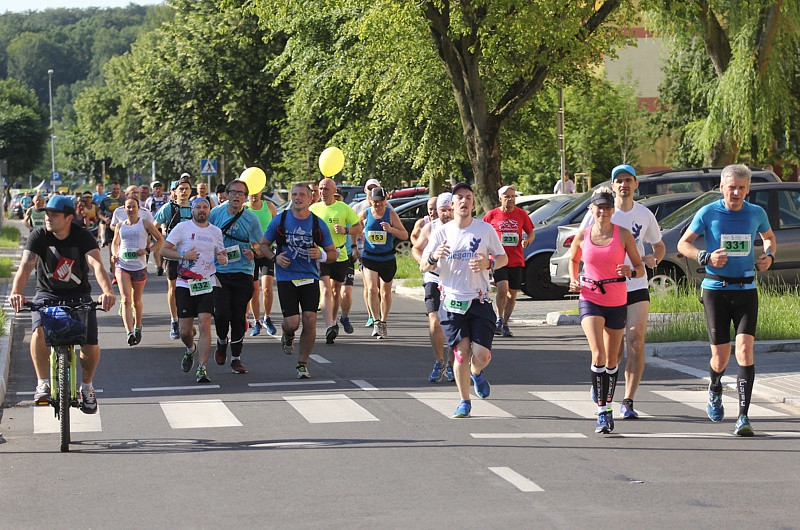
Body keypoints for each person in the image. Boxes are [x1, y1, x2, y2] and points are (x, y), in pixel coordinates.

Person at [677, 163, 776, 436]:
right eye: (731, 187)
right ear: (722, 187)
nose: (736, 193)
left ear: (748, 189)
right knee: (720, 358)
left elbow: (769, 237)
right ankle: (715, 386)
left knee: (744, 351)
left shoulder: (756, 213)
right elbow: (683, 244)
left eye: (742, 188)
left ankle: (743, 417)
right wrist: (706, 257)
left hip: (746, 289)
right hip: (715, 290)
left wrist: (769, 256)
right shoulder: (709, 212)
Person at [9, 195, 116, 413]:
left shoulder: (82, 236)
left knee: (89, 342)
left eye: (54, 214)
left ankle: (87, 387)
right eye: (46, 214)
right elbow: (26, 266)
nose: (48, 218)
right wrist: (15, 293)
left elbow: (96, 264)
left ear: (69, 217)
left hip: (78, 296)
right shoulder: (38, 236)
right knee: (38, 330)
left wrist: (107, 292)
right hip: (47, 294)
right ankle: (42, 383)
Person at [579, 165, 666, 419]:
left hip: (636, 285)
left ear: (636, 184)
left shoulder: (644, 214)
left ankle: (628, 400)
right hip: (604, 289)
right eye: (619, 181)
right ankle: (603, 387)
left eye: (628, 180)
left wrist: (653, 259)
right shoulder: (601, 210)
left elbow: (659, 246)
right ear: (613, 185)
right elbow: (582, 242)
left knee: (636, 340)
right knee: (611, 353)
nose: (623, 185)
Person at [421, 183, 507, 417]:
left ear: (473, 204)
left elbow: (503, 257)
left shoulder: (484, 230)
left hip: (479, 301)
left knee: (481, 355)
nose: (464, 201)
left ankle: (476, 373)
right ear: (452, 203)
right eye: (459, 197)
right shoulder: (441, 232)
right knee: (461, 351)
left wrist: (488, 263)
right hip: (452, 302)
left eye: (468, 197)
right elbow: (423, 265)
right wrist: (433, 255)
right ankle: (464, 401)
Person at [569, 187, 645, 434]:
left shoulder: (622, 234)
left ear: (612, 211)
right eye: (598, 207)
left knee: (612, 360)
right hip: (590, 296)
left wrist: (630, 272)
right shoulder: (583, 235)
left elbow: (640, 269)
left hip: (616, 298)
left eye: (607, 208)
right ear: (591, 209)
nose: (602, 211)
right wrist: (573, 278)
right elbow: (573, 259)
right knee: (598, 354)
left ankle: (607, 399)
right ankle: (602, 412)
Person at [259, 183, 336, 378]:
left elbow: (333, 253)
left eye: (302, 194)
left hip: (309, 277)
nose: (298, 198)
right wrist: (275, 258)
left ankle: (302, 363)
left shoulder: (318, 224)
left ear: (311, 198)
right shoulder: (280, 221)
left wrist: (321, 255)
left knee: (310, 320)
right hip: (287, 278)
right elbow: (264, 245)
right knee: (292, 322)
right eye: (294, 194)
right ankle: (288, 334)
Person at [161, 197, 228, 383]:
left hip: (206, 283)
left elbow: (222, 254)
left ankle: (202, 368)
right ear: (192, 210)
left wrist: (224, 259)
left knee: (205, 324)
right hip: (185, 283)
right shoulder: (182, 228)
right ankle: (190, 349)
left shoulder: (215, 231)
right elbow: (164, 250)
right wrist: (182, 255)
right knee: (184, 331)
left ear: (209, 210)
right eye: (198, 207)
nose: (201, 210)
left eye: (205, 207)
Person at [209, 180, 265, 374]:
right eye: (234, 192)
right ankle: (222, 342)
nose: (237, 196)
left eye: (241, 193)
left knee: (238, 315)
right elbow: (206, 238)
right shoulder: (215, 214)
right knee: (222, 312)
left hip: (243, 272)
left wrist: (254, 252)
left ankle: (236, 357)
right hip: (220, 272)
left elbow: (260, 245)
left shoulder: (251, 219)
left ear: (245, 197)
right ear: (227, 194)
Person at [310, 178, 363, 344]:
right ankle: (329, 325)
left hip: (340, 254)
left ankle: (333, 322)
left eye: (326, 189)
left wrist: (346, 230)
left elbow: (358, 227)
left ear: (333, 191)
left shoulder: (343, 208)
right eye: (320, 189)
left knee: (336, 290)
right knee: (325, 289)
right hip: (321, 254)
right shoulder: (313, 208)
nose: (322, 192)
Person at [412, 192, 456, 383]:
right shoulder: (431, 228)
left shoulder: (462, 227)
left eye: (448, 210)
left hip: (454, 280)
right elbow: (416, 248)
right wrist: (423, 261)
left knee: (455, 324)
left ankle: (453, 364)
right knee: (435, 322)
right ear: (436, 211)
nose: (445, 214)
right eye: (442, 210)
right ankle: (439, 361)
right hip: (433, 277)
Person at [111, 197, 164, 345]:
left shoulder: (145, 224)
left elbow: (160, 240)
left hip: (139, 267)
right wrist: (114, 254)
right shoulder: (120, 225)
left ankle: (138, 325)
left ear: (138, 208)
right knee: (126, 299)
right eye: (128, 207)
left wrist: (147, 250)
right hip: (122, 265)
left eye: (133, 206)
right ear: (124, 208)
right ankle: (129, 332)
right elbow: (115, 243)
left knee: (136, 301)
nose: (131, 209)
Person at [483, 184, 534, 337]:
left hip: (516, 259)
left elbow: (531, 233)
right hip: (499, 259)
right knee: (502, 289)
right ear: (500, 199)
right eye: (507, 197)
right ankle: (498, 318)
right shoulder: (492, 215)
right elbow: (482, 233)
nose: (510, 199)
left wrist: (527, 241)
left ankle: (505, 323)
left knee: (512, 293)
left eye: (512, 196)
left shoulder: (521, 214)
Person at [358, 186, 408, 339]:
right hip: (369, 257)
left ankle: (384, 322)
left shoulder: (390, 214)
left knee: (385, 293)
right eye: (375, 202)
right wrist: (356, 242)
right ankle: (376, 322)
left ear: (385, 201)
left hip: (387, 258)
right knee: (372, 289)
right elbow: (354, 228)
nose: (378, 205)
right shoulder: (365, 213)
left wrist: (391, 230)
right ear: (370, 201)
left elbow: (405, 235)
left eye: (380, 202)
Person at [153, 178, 193, 339]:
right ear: (175, 192)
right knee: (174, 288)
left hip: (192, 257)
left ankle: (187, 319)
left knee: (192, 289)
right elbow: (153, 225)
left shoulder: (195, 208)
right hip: (174, 256)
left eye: (186, 189)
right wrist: (162, 239)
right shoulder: (169, 208)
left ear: (191, 191)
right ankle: (174, 321)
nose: (184, 191)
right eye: (181, 189)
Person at [245, 189, 278, 336]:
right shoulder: (244, 208)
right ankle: (256, 321)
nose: (254, 194)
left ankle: (267, 318)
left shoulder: (269, 206)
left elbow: (278, 227)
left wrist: (277, 245)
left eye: (257, 191)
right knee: (254, 290)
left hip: (267, 251)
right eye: (251, 191)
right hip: (251, 253)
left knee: (267, 288)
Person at [353, 178, 383, 327]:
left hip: (381, 250)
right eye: (369, 188)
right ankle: (371, 315)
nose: (371, 190)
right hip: (363, 248)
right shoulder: (358, 208)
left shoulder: (386, 206)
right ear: (365, 190)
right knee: (369, 285)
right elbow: (352, 226)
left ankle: (379, 312)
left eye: (374, 187)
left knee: (379, 285)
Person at [145, 180, 169, 275]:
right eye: (155, 188)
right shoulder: (149, 200)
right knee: (157, 245)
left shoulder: (166, 198)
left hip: (165, 225)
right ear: (153, 189)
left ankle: (161, 264)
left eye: (159, 187)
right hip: (154, 224)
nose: (157, 190)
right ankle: (159, 266)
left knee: (163, 246)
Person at [98, 181, 122, 251]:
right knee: (112, 251)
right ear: (110, 189)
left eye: (117, 189)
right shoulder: (105, 200)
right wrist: (105, 219)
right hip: (109, 227)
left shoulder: (123, 200)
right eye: (114, 189)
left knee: (120, 251)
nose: (116, 191)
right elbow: (99, 213)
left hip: (121, 227)